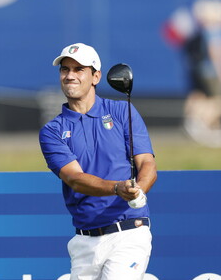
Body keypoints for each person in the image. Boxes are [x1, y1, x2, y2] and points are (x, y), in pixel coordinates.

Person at [39, 43, 157, 280]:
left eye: (78, 69)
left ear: (96, 76)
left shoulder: (122, 112)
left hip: (128, 233)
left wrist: (138, 191)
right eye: (65, 70)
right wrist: (117, 188)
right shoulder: (52, 131)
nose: (70, 75)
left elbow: (147, 164)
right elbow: (75, 179)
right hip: (84, 241)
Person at [181, 0, 221, 147]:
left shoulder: (200, 31)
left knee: (203, 98)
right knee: (220, 101)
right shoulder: (216, 31)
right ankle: (200, 126)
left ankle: (210, 130)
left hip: (201, 69)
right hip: (212, 71)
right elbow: (217, 52)